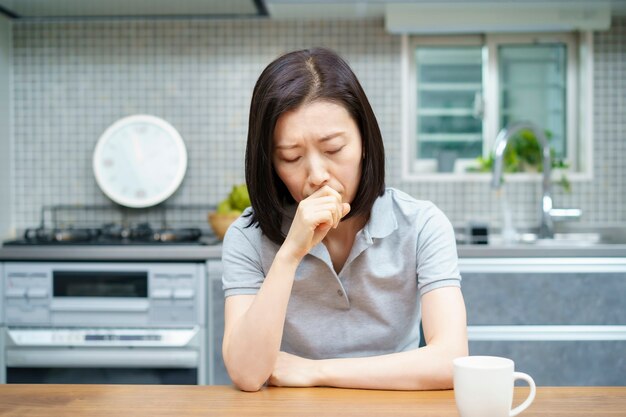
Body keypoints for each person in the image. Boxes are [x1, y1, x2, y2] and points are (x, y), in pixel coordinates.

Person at [221, 47, 468, 392]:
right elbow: (247, 374)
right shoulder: (246, 237)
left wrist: (315, 372)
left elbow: (451, 360)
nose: (317, 175)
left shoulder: (422, 224)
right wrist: (289, 254)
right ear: (271, 165)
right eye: (291, 157)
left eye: (334, 149)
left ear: (365, 142)